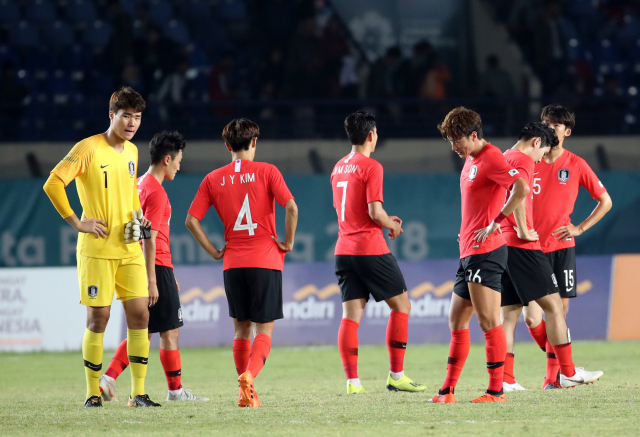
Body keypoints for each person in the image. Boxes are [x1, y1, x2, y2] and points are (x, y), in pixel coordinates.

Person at [42, 87, 160, 408]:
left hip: (129, 248)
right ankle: (92, 393)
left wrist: (138, 218)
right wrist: (77, 222)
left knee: (140, 315)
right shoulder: (88, 148)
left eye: (137, 118)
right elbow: (52, 183)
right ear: (112, 115)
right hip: (96, 249)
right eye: (126, 116)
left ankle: (138, 394)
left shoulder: (134, 152)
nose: (132, 123)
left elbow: (130, 196)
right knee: (100, 319)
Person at [185, 118, 298, 408]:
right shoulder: (268, 171)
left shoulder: (213, 178)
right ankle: (249, 377)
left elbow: (191, 220)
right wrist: (288, 241)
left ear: (227, 146)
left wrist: (213, 250)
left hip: (233, 263)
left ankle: (243, 391)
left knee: (241, 330)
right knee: (264, 331)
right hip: (266, 260)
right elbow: (292, 208)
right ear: (255, 142)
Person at [99, 131, 208, 402]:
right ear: (167, 159)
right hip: (155, 266)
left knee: (143, 332)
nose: (180, 166)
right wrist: (154, 280)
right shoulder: (157, 193)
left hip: (139, 265)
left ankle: (109, 377)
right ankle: (176, 391)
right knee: (169, 331)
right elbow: (151, 237)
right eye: (178, 161)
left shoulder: (136, 185)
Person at [429, 107, 528, 404]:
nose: (453, 147)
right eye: (449, 141)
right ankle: (447, 391)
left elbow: (520, 188)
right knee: (456, 320)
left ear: (473, 135)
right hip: (468, 251)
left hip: (486, 252)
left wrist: (497, 222)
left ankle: (496, 391)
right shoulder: (470, 158)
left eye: (456, 140)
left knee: (488, 321)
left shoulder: (492, 157)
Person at [498, 122, 604, 391]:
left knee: (508, 313)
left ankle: (506, 378)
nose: (540, 159)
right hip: (525, 246)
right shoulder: (523, 161)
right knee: (553, 308)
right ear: (535, 142)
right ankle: (567, 372)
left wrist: (488, 225)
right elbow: (519, 193)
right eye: (541, 151)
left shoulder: (503, 156)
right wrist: (523, 229)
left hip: (503, 245)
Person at [331, 110, 427, 395]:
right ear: (371, 135)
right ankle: (396, 376)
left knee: (350, 316)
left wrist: (384, 218)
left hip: (343, 249)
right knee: (402, 306)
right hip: (369, 248)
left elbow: (351, 210)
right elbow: (375, 212)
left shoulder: (338, 167)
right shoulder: (371, 166)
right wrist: (392, 225)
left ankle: (353, 383)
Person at [529, 104, 612, 388]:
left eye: (556, 125)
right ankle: (566, 366)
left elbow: (606, 201)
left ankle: (554, 377)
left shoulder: (576, 164)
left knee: (558, 315)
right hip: (528, 249)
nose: (550, 129)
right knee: (531, 318)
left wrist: (579, 228)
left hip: (561, 249)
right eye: (546, 123)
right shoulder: (530, 161)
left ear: (567, 131)